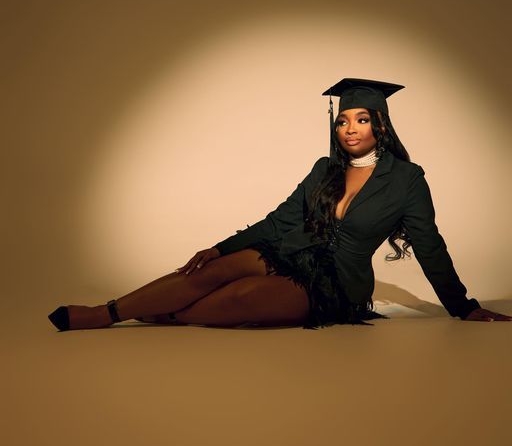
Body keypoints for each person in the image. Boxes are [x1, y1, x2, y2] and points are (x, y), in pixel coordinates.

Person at [48, 77, 512, 331]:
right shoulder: (322, 169)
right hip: (290, 251)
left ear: (381, 126)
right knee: (209, 272)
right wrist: (221, 247)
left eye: (362, 119)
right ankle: (105, 314)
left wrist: (462, 306)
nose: (349, 128)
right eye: (344, 120)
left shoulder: (407, 180)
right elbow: (278, 221)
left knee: (243, 298)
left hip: (336, 283)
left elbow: (430, 244)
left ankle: (166, 314)